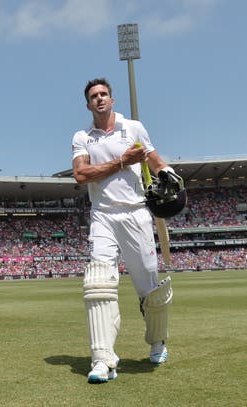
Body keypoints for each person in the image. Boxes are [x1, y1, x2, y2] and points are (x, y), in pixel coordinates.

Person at [72, 78, 175, 384]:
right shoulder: (82, 137)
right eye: (94, 96)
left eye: (104, 94)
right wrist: (121, 162)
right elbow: (81, 174)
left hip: (136, 214)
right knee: (98, 284)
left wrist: (171, 178)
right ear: (88, 104)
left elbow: (156, 163)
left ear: (112, 100)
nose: (99, 99)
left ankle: (157, 344)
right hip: (103, 216)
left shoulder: (134, 128)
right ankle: (103, 360)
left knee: (149, 288)